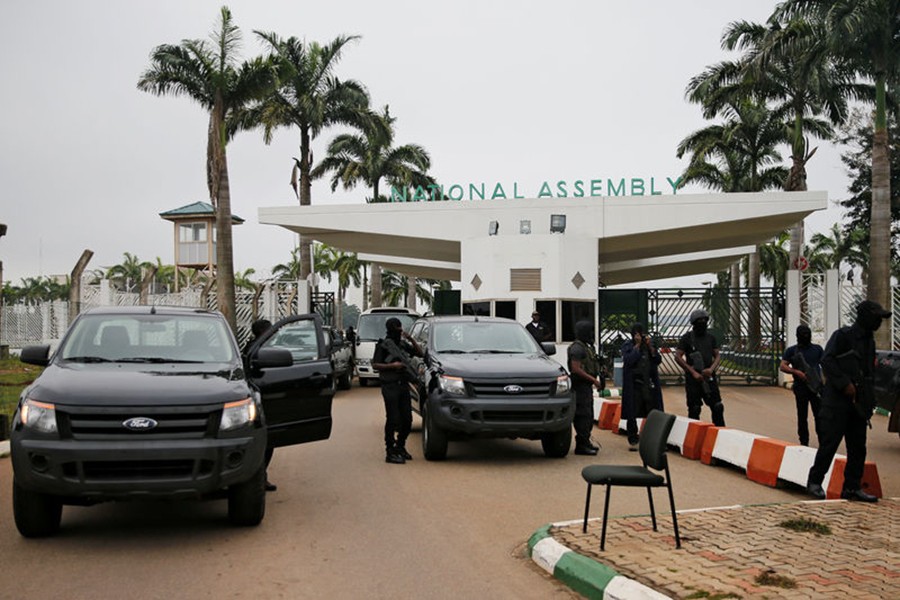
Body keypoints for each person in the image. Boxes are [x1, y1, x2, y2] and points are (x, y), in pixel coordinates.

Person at [806, 300, 891, 502]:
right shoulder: (843, 336)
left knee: (858, 447)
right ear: (865, 316)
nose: (879, 322)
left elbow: (869, 373)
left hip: (858, 403)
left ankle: (852, 487)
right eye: (877, 318)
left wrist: (869, 399)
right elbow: (827, 360)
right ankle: (815, 481)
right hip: (837, 402)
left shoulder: (869, 341)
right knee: (830, 444)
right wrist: (845, 383)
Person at [372, 317, 423, 464]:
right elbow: (375, 364)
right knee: (393, 419)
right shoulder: (383, 345)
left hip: (403, 385)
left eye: (400, 327)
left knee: (407, 420)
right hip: (390, 385)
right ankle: (390, 451)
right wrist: (392, 366)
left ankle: (400, 446)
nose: (399, 330)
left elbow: (419, 353)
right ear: (390, 329)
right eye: (397, 328)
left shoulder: (401, 344)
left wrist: (411, 339)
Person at [241, 318, 277, 491]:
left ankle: (261, 476)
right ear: (263, 333)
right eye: (270, 331)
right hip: (258, 400)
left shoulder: (255, 348)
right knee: (264, 442)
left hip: (262, 398)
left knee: (267, 441)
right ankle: (258, 477)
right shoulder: (256, 350)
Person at [674, 309, 725, 426]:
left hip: (709, 377)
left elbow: (717, 355)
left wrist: (711, 369)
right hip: (693, 379)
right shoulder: (687, 338)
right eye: (699, 320)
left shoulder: (711, 338)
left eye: (704, 320)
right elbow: (678, 356)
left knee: (717, 406)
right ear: (694, 323)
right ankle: (693, 433)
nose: (702, 322)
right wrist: (693, 372)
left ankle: (720, 431)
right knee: (694, 408)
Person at [779, 324, 824, 446]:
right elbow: (782, 366)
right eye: (803, 334)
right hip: (801, 387)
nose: (805, 336)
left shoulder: (817, 349)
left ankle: (823, 441)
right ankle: (804, 442)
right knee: (802, 416)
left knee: (819, 416)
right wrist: (796, 372)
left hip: (816, 387)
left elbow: (826, 364)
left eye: (807, 334)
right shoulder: (792, 350)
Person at [621, 323, 663, 450]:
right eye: (636, 334)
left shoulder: (649, 345)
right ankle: (633, 438)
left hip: (648, 383)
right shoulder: (628, 345)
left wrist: (650, 347)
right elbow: (629, 360)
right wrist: (637, 346)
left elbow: (657, 360)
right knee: (632, 412)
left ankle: (653, 438)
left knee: (653, 411)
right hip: (634, 385)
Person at [567, 320, 603, 455]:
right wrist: (594, 380)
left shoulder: (587, 347)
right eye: (590, 331)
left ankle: (586, 441)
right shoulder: (577, 348)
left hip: (586, 387)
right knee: (582, 415)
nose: (591, 334)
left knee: (588, 415)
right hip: (579, 387)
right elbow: (575, 369)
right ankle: (581, 445)